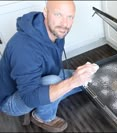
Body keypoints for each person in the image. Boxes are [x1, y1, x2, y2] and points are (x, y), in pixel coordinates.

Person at [0, 1, 99, 132]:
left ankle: (52, 95)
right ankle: (42, 117)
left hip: (39, 78)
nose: (65, 24)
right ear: (45, 12)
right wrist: (71, 82)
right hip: (12, 100)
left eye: (70, 17)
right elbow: (29, 98)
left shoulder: (57, 31)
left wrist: (76, 80)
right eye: (58, 14)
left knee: (87, 77)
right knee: (57, 81)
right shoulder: (23, 47)